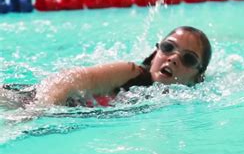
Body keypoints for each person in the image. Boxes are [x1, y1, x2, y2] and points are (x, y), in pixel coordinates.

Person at [1, 26, 212, 108]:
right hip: (24, 100)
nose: (173, 59)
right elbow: (68, 79)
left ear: (198, 77)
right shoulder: (129, 72)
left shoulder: (182, 103)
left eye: (188, 59)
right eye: (168, 47)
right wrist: (36, 109)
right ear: (156, 51)